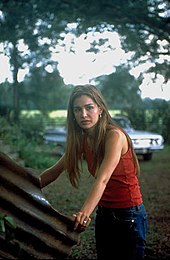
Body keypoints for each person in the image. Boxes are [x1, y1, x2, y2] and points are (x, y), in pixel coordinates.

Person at [40, 84, 148, 260]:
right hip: (104, 213)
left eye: (89, 107)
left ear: (100, 109)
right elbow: (55, 171)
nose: (83, 114)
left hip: (129, 215)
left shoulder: (115, 136)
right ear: (73, 115)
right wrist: (22, 187)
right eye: (77, 110)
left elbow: (103, 179)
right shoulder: (82, 140)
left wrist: (84, 214)